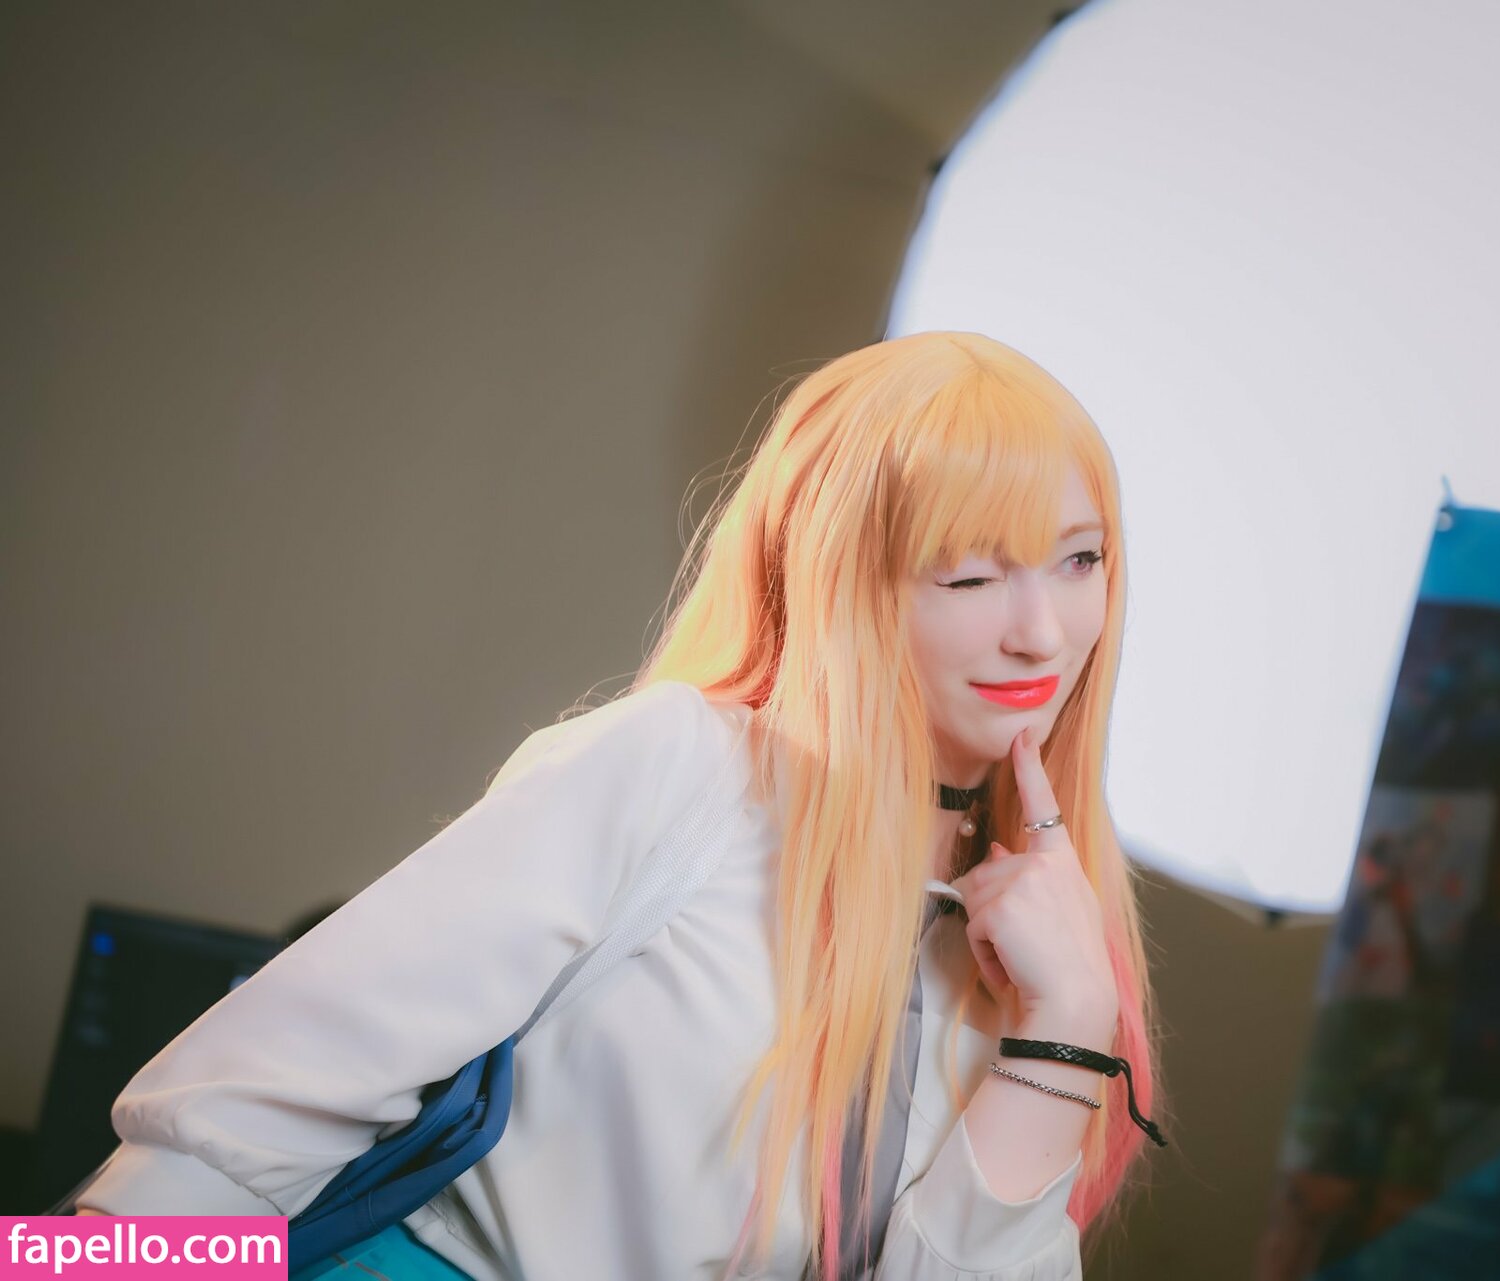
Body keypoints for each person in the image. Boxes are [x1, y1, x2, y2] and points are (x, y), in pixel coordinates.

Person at [72, 331, 1165, 1280]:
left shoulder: (1040, 944)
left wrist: (1064, 1034)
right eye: (970, 576)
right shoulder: (681, 769)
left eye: (1080, 561)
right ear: (843, 578)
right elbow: (257, 1101)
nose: (1043, 633)